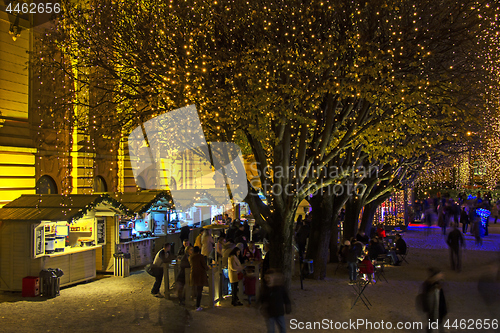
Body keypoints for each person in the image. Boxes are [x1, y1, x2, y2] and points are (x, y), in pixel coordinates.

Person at [258, 269, 291, 333]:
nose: (267, 279)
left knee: (282, 328)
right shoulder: (265, 288)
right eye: (266, 277)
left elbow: (285, 297)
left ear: (273, 278)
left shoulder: (279, 287)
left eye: (269, 277)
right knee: (271, 330)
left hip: (279, 311)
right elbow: (261, 299)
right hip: (269, 312)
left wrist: (288, 305)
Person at [421, 268, 447, 333]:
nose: (441, 276)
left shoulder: (437, 285)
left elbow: (442, 300)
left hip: (438, 310)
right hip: (432, 310)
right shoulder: (429, 285)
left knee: (438, 324)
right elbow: (426, 298)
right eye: (440, 275)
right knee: (432, 324)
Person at [188, 246, 209, 311]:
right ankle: (198, 305)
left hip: (193, 274)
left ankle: (196, 304)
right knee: (199, 290)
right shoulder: (200, 256)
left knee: (195, 290)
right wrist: (208, 268)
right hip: (200, 275)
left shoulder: (190, 257)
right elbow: (204, 265)